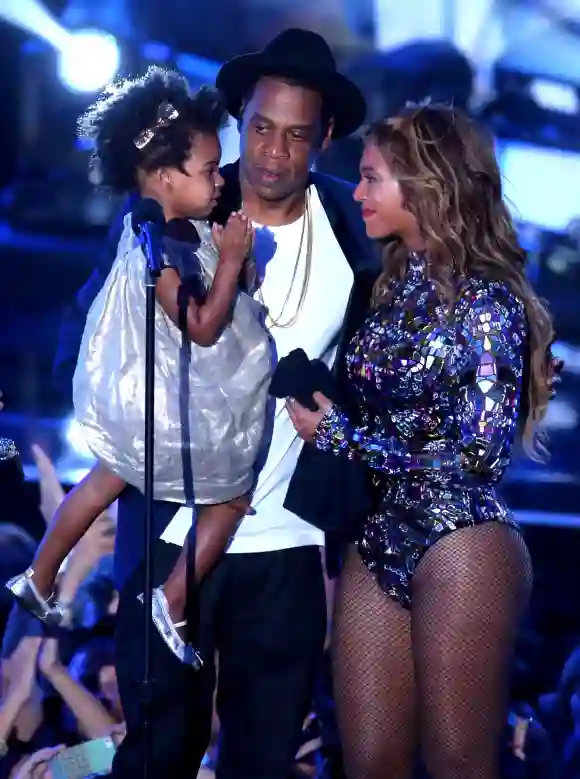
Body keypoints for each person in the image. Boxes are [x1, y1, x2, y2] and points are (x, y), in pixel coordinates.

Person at [50, 28, 378, 779]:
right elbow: (86, 335)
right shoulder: (175, 206)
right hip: (172, 525)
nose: (272, 152)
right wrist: (126, 437)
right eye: (260, 128)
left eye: (296, 135)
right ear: (240, 123)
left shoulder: (355, 230)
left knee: (264, 758)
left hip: (289, 543)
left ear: (324, 137)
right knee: (160, 749)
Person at [286, 103, 557, 779]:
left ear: (424, 183)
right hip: (375, 539)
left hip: (460, 541)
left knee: (458, 762)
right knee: (371, 764)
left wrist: (344, 437)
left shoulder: (488, 303)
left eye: (373, 177)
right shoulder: (387, 287)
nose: (358, 191)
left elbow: (478, 457)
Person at [7, 67, 272, 672]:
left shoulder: (163, 229)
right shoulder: (165, 239)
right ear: (161, 176)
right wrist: (232, 262)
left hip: (150, 387)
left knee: (105, 479)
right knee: (232, 492)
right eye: (208, 170)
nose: (217, 181)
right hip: (162, 392)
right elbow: (200, 325)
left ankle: (39, 576)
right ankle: (171, 599)